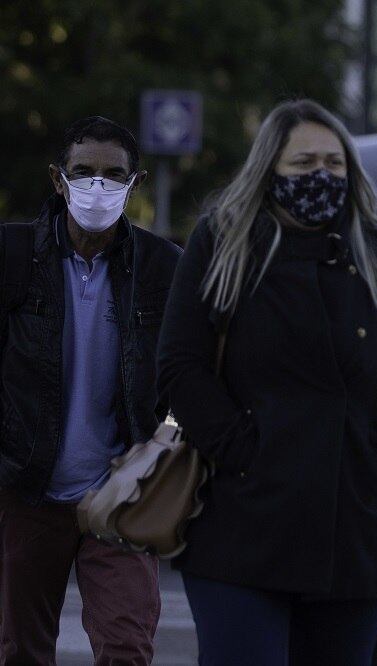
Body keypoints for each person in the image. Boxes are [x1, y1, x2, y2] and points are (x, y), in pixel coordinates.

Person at [156, 99, 377, 665]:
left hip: (355, 533)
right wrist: (243, 452)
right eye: (303, 163)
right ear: (270, 170)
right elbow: (179, 366)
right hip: (240, 529)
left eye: (335, 164)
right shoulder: (223, 241)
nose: (322, 175)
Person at [0, 116, 181, 664]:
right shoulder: (11, 258)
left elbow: (186, 371)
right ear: (59, 180)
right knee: (21, 651)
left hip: (119, 494)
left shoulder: (161, 267)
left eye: (112, 174)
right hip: (26, 490)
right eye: (83, 172)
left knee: (126, 646)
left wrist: (164, 447)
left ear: (135, 183)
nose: (96, 187)